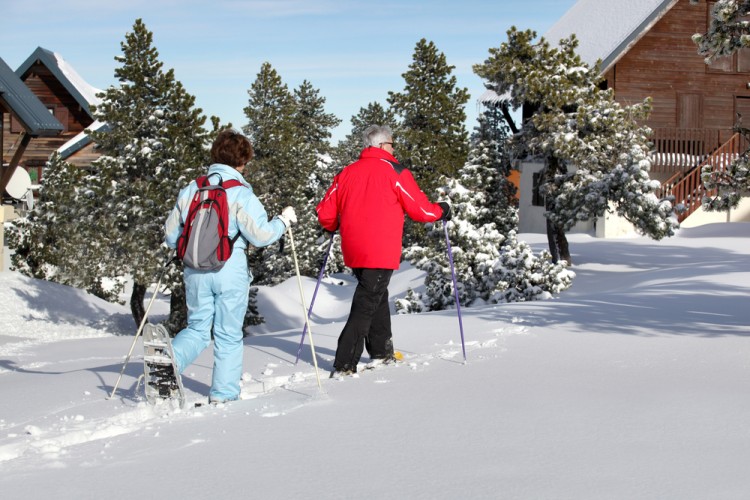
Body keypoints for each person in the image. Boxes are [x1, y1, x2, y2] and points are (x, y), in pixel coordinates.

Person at [164, 128, 296, 403]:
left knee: (198, 328)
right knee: (228, 334)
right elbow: (261, 236)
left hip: (195, 270)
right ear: (242, 161)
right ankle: (223, 394)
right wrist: (282, 222)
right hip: (229, 268)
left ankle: (169, 360)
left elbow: (171, 235)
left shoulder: (193, 189)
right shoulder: (241, 194)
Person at [316, 124, 450, 377]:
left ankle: (381, 351)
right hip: (380, 248)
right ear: (380, 145)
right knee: (367, 301)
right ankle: (344, 363)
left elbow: (325, 212)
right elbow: (419, 210)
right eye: (391, 143)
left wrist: (333, 225)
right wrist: (441, 210)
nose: (394, 147)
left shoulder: (347, 173)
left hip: (355, 249)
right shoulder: (395, 171)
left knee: (376, 295)